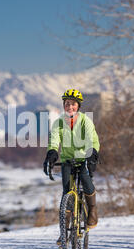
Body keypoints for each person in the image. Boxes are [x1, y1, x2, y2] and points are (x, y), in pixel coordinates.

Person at [43, 89, 100, 238]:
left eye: (73, 104)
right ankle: (64, 233)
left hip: (84, 158)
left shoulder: (85, 121)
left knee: (86, 180)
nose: (70, 107)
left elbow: (91, 139)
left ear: (78, 106)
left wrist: (91, 153)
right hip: (68, 159)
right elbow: (54, 140)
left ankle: (92, 210)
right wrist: (52, 153)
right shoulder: (59, 122)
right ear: (63, 105)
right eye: (67, 104)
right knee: (67, 190)